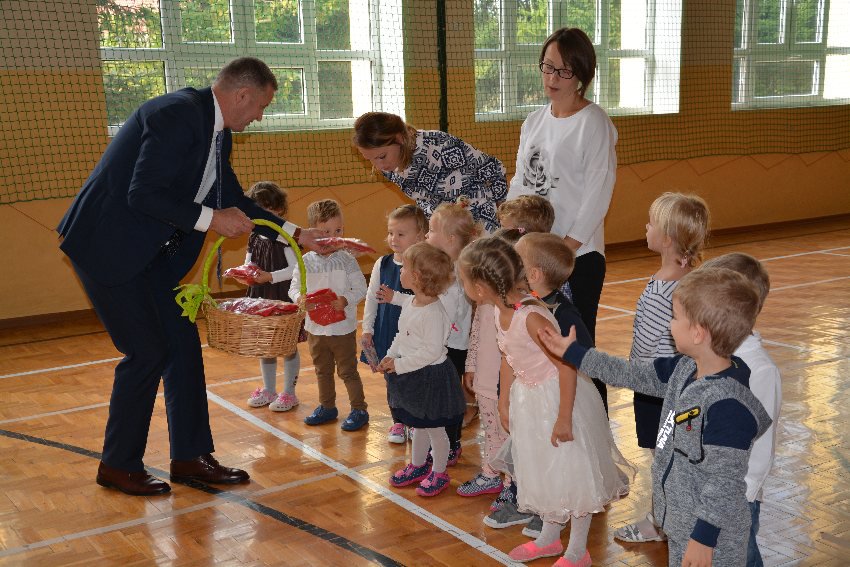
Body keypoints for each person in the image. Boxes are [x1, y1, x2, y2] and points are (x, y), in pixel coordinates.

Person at [56, 57, 323, 496]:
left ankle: (190, 458)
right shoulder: (176, 114)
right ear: (242, 94)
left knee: (182, 345)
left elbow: (232, 198)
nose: (259, 117)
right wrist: (212, 219)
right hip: (109, 249)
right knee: (147, 352)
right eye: (261, 106)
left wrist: (299, 234)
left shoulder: (217, 131)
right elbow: (143, 193)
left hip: (150, 258)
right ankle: (118, 465)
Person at [540, 268, 773, 567]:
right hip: (681, 525)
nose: (669, 324)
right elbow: (630, 374)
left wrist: (703, 539)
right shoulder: (684, 368)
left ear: (698, 333)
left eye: (675, 317)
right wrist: (575, 354)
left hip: (713, 541)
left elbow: (724, 482)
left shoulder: (729, 405)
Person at [458, 237, 631, 567]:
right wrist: (504, 402)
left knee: (572, 473)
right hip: (530, 401)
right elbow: (508, 357)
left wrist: (564, 417)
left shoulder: (530, 316)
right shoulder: (498, 311)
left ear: (480, 288)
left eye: (464, 281)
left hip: (559, 399)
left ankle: (578, 551)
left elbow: (566, 365)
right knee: (545, 471)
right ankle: (549, 539)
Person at [506, 27, 618, 410]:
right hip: (533, 256)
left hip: (577, 257)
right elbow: (521, 182)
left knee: (578, 348)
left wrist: (565, 248)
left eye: (564, 71)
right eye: (547, 67)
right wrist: (509, 236)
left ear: (582, 75)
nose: (552, 78)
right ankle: (552, 420)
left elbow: (598, 192)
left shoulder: (594, 122)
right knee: (536, 345)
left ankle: (594, 425)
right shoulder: (533, 122)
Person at [616, 192, 710, 544]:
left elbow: (644, 345)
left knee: (664, 460)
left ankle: (661, 522)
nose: (646, 227)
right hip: (683, 384)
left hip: (657, 390)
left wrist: (631, 374)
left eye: (652, 223)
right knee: (679, 456)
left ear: (667, 239)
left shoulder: (661, 291)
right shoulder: (692, 281)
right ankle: (678, 515)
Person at [381, 200, 481, 463]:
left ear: (450, 239)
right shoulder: (440, 268)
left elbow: (436, 312)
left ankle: (451, 443)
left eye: (432, 230)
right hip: (438, 345)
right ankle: (435, 441)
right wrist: (398, 299)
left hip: (451, 347)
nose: (426, 234)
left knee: (447, 401)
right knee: (437, 399)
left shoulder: (453, 274)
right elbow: (423, 302)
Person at [700, 253, 781, 567]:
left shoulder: (760, 371)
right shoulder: (707, 356)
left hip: (735, 499)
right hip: (704, 490)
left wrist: (736, 499)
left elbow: (759, 451)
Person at [380, 242, 466, 497]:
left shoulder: (434, 313)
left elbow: (432, 352)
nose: (400, 271)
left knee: (435, 429)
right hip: (413, 374)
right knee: (418, 424)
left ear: (416, 277)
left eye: (404, 268)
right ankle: (418, 465)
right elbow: (402, 335)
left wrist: (399, 365)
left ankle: (439, 472)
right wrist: (391, 355)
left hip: (430, 378)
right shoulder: (412, 302)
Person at [456, 228, 525, 505]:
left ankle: (512, 484)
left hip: (505, 386)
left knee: (508, 434)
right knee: (491, 430)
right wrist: (470, 365)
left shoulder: (512, 309)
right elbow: (475, 337)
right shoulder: (484, 305)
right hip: (484, 383)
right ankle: (490, 473)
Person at [353, 112, 507, 232]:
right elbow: (425, 199)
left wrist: (504, 216)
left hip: (477, 219)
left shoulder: (439, 145)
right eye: (370, 159)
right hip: (442, 226)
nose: (378, 166)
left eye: (381, 157)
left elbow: (494, 168)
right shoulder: (389, 167)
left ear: (399, 139)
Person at [289, 199, 369, 431]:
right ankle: (327, 407)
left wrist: (345, 300)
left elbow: (361, 288)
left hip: (342, 329)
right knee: (322, 370)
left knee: (347, 371)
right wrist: (300, 299)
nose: (333, 237)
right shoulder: (305, 262)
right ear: (312, 233)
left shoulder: (347, 260)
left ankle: (359, 409)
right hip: (315, 329)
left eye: (338, 231)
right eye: (326, 232)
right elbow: (294, 287)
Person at [360, 204, 428, 443]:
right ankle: (398, 421)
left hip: (414, 334)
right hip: (388, 330)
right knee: (392, 377)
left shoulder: (424, 264)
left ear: (419, 236)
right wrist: (367, 329)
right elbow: (371, 298)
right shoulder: (382, 263)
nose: (393, 239)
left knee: (414, 376)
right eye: (390, 233)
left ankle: (416, 420)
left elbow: (427, 300)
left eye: (401, 234)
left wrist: (396, 297)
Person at [240, 181, 303, 412]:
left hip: (282, 296)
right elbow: (249, 263)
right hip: (261, 297)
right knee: (265, 343)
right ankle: (269, 389)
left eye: (269, 211)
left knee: (287, 345)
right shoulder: (254, 236)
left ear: (279, 211)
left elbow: (296, 269)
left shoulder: (284, 237)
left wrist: (270, 277)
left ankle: (289, 393)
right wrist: (245, 273)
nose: (264, 217)